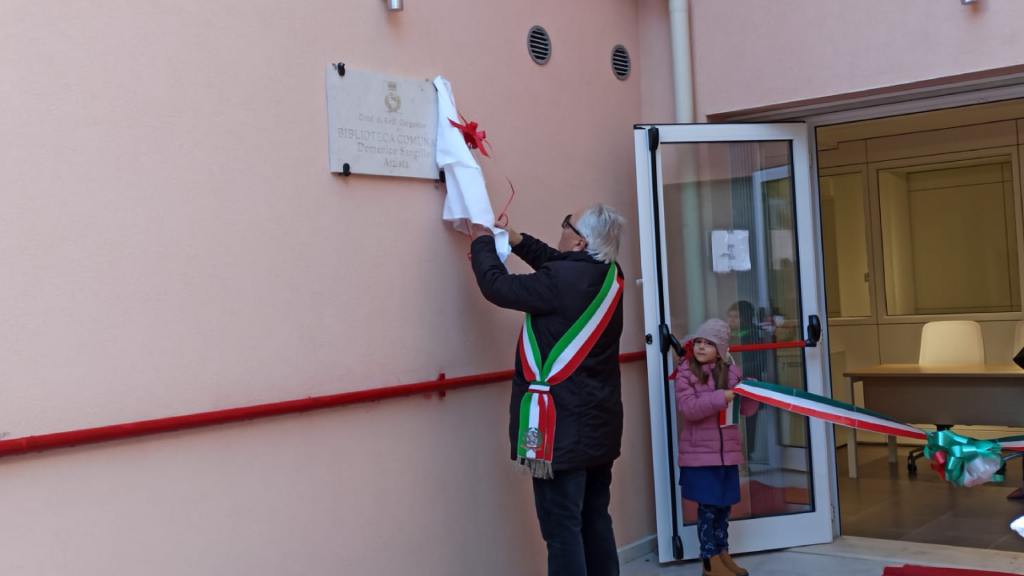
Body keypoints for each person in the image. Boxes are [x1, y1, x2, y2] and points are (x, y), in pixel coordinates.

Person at [469, 204, 626, 576]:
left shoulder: (559, 281)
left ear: (579, 240)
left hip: (560, 433)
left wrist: (482, 243)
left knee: (561, 530)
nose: (562, 229)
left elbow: (497, 286)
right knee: (594, 519)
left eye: (565, 225)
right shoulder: (609, 275)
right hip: (598, 429)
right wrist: (519, 239)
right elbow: (557, 262)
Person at [675, 319, 759, 576]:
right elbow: (689, 409)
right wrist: (720, 397)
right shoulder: (686, 373)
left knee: (723, 508)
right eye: (698, 342)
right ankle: (709, 561)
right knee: (708, 509)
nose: (700, 347)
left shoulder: (733, 373)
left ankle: (723, 554)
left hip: (727, 455)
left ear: (721, 349)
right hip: (700, 456)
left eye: (708, 344)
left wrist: (752, 394)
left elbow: (745, 411)